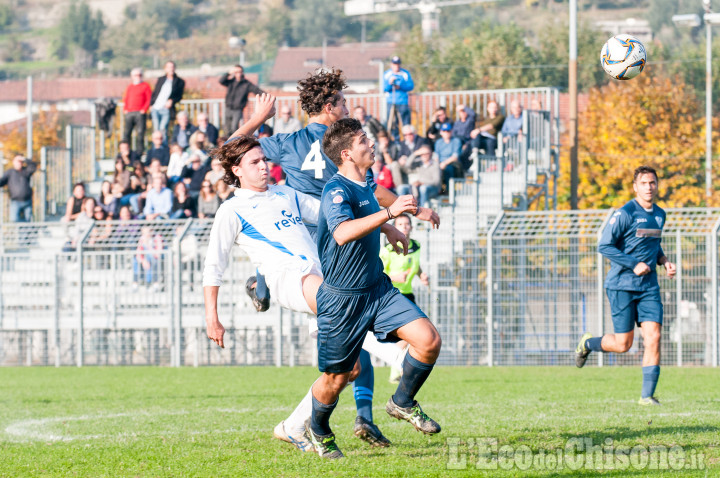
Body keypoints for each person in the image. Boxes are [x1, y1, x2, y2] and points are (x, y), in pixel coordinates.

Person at [205, 135, 410, 453]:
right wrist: (211, 318)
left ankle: (293, 426)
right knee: (340, 303)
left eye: (264, 160)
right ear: (237, 170)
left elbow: (333, 216)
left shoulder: (285, 193)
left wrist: (388, 227)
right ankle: (393, 354)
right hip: (289, 280)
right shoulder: (231, 210)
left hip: (319, 276)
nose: (264, 166)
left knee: (347, 370)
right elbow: (213, 267)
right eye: (255, 162)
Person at [303, 118, 442, 459]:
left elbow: (369, 211)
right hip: (342, 300)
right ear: (348, 152)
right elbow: (341, 232)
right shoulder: (335, 189)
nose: (372, 143)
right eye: (364, 140)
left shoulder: (365, 182)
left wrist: (389, 228)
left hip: (377, 289)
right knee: (339, 377)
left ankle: (402, 402)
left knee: (428, 340)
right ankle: (318, 427)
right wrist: (390, 214)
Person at [575, 166, 676, 406]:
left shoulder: (660, 214)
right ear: (635, 187)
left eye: (652, 183)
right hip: (622, 285)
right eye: (644, 183)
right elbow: (605, 246)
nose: (649, 187)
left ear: (657, 185)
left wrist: (664, 261)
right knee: (623, 345)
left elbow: (652, 243)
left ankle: (646, 397)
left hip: (649, 286)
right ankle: (587, 343)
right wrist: (633, 264)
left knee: (654, 337)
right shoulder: (625, 213)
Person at [380, 213, 430, 382]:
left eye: (406, 224)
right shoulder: (387, 250)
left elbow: (414, 266)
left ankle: (400, 367)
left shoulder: (416, 246)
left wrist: (421, 275)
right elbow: (378, 273)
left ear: (411, 227)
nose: (404, 227)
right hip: (394, 295)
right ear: (395, 227)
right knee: (409, 335)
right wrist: (394, 277)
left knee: (415, 334)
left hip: (408, 293)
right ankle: (397, 368)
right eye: (400, 224)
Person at [219, 64, 264, 134]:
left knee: (234, 128)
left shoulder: (246, 84)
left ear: (242, 72)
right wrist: (229, 73)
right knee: (226, 129)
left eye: (239, 71)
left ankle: (235, 143)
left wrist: (266, 96)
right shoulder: (231, 82)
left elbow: (257, 90)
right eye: (236, 72)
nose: (238, 73)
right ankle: (227, 143)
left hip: (238, 109)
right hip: (228, 108)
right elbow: (221, 81)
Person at [150, 61, 185, 142]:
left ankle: (164, 147)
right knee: (156, 130)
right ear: (165, 69)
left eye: (172, 67)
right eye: (169, 67)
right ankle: (155, 147)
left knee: (163, 129)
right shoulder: (161, 79)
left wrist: (172, 101)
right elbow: (155, 93)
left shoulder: (179, 81)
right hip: (155, 107)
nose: (171, 69)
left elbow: (179, 96)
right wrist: (151, 104)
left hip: (166, 109)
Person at [122, 68, 152, 154]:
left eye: (140, 75)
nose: (138, 77)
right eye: (136, 75)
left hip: (140, 113)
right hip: (129, 112)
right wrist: (125, 109)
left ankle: (139, 152)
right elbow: (126, 98)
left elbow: (149, 99)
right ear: (132, 76)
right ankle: (126, 150)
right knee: (127, 133)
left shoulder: (145, 86)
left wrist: (144, 109)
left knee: (140, 133)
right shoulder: (130, 87)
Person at [383, 56, 414, 137]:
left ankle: (407, 139)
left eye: (397, 64)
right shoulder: (387, 74)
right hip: (391, 102)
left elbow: (410, 86)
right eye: (394, 64)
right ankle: (395, 141)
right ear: (391, 64)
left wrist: (400, 86)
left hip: (403, 102)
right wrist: (390, 83)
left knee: (406, 123)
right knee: (393, 124)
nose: (396, 66)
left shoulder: (405, 73)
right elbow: (384, 88)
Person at [0, 154, 37, 222]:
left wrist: (24, 159)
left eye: (20, 162)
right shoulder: (10, 172)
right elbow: (1, 181)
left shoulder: (25, 171)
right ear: (13, 162)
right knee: (14, 220)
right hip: (15, 201)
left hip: (27, 201)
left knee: (28, 220)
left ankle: (25, 232)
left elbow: (33, 166)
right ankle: (19, 232)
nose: (19, 163)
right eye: (17, 161)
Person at [435, 123, 463, 188]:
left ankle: (448, 190)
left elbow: (455, 157)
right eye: (444, 131)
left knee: (448, 169)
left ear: (451, 131)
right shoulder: (438, 142)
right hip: (440, 163)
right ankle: (438, 189)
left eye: (448, 131)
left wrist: (444, 163)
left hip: (452, 164)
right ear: (441, 132)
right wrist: (437, 164)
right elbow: (436, 156)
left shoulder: (456, 141)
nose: (446, 132)